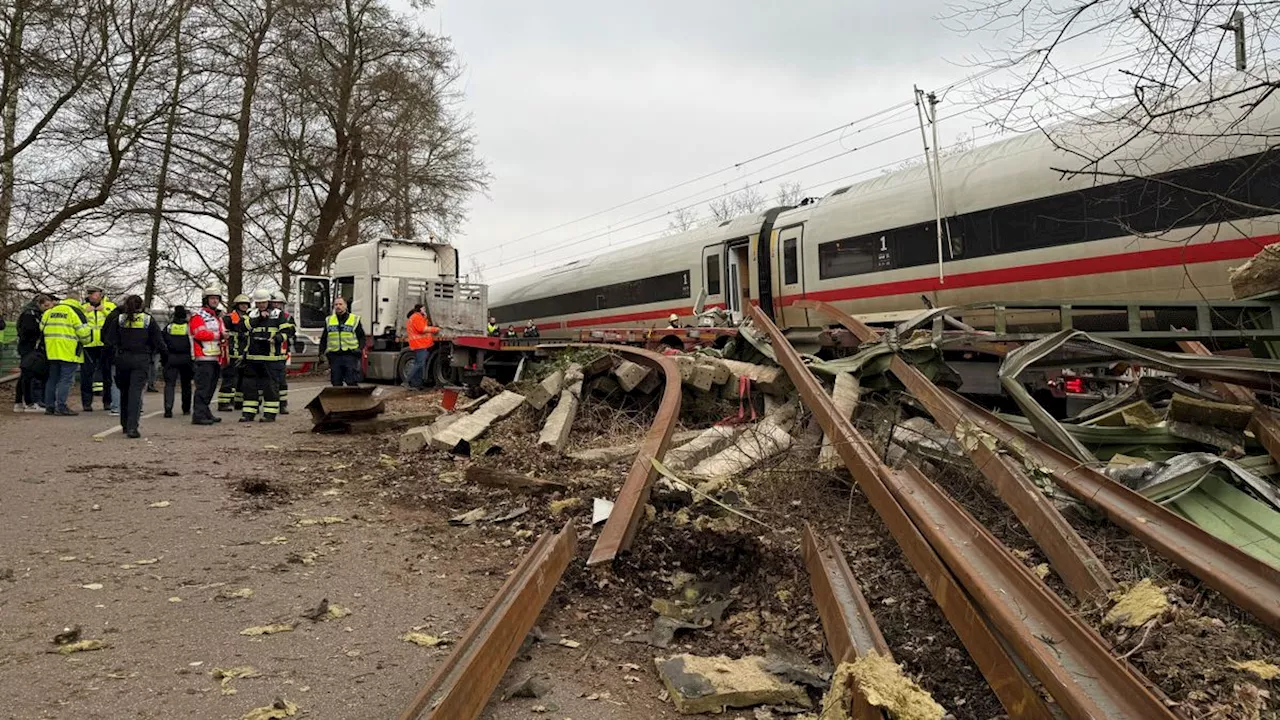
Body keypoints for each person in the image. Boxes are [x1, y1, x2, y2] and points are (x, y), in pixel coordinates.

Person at [107, 295, 164, 439]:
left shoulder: (119, 320)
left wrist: (113, 357)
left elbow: (109, 340)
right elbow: (158, 341)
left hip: (122, 359)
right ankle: (133, 427)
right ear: (141, 306)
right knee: (135, 393)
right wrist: (161, 355)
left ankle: (125, 424)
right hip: (141, 359)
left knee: (125, 391)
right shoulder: (148, 320)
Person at [41, 296, 93, 415]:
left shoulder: (50, 312)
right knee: (66, 380)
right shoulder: (75, 312)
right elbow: (84, 334)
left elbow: (42, 328)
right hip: (69, 351)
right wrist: (87, 339)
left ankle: (49, 406)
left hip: (52, 351)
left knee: (52, 379)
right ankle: (61, 406)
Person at [240, 289, 283, 422]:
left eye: (264, 302)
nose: (261, 305)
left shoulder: (278, 314)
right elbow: (242, 327)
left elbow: (289, 330)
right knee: (249, 387)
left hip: (271, 358)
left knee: (270, 387)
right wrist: (259, 318)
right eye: (259, 303)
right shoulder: (250, 314)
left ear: (268, 301)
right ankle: (248, 413)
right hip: (253, 358)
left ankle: (269, 414)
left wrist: (277, 338)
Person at [189, 287, 226, 425]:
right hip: (203, 357)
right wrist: (219, 335)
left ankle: (205, 411)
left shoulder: (217, 316)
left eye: (217, 298)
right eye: (212, 298)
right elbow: (199, 333)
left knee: (211, 387)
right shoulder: (198, 315)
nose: (215, 301)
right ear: (206, 300)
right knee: (203, 387)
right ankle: (198, 415)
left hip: (216, 357)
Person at [79, 285, 117, 412]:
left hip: (104, 344)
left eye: (94, 293)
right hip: (88, 345)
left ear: (100, 294)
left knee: (107, 374)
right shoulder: (82, 308)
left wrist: (104, 310)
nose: (91, 296)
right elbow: (77, 322)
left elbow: (116, 319)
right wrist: (86, 312)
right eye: (90, 294)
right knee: (86, 375)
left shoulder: (110, 306)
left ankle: (107, 402)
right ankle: (86, 403)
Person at [15, 294, 53, 413]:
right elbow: (27, 331)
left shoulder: (34, 314)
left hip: (31, 348)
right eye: (45, 305)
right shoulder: (29, 314)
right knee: (27, 376)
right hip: (29, 348)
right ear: (39, 304)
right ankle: (28, 402)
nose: (47, 308)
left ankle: (20, 402)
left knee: (25, 376)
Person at [319, 296, 364, 386]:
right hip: (335, 356)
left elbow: (361, 337)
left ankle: (352, 399)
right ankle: (338, 400)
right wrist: (321, 353)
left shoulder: (354, 319)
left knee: (351, 380)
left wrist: (359, 349)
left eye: (340, 304)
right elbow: (324, 338)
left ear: (345, 306)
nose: (338, 306)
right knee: (336, 381)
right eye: (336, 304)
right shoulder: (329, 320)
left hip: (350, 355)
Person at [218, 293, 251, 411]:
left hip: (245, 354)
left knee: (243, 379)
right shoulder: (229, 318)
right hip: (231, 353)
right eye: (242, 304)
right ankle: (223, 403)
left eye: (246, 304)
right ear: (237, 305)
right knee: (229, 378)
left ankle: (239, 402)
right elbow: (222, 332)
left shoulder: (249, 318)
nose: (244, 306)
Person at [162, 306, 194, 418]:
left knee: (170, 384)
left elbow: (162, 342)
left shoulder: (169, 327)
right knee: (186, 384)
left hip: (171, 358)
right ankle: (186, 409)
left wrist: (164, 358)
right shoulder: (189, 327)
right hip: (186, 358)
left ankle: (168, 409)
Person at [268, 290, 294, 414]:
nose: (277, 306)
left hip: (283, 353)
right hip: (268, 353)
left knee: (282, 380)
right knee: (267, 380)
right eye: (274, 304)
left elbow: (291, 332)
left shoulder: (288, 317)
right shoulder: (267, 316)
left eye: (279, 304)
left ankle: (282, 404)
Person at [405, 304, 440, 390]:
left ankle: (417, 384)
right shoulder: (417, 317)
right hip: (420, 344)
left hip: (419, 344)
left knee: (420, 364)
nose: (425, 310)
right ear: (419, 309)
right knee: (419, 364)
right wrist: (435, 329)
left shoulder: (416, 317)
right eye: (423, 309)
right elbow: (422, 329)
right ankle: (407, 381)